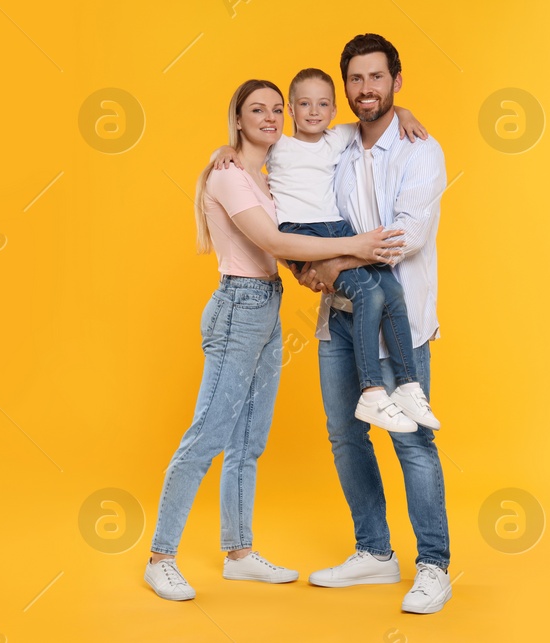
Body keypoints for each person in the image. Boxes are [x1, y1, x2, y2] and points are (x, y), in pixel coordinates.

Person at [144, 78, 406, 602]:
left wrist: (307, 270)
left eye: (276, 110)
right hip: (237, 306)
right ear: (237, 120)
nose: (270, 117)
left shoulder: (258, 175)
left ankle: (238, 553)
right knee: (208, 435)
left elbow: (282, 250)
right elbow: (271, 239)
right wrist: (357, 246)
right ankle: (160, 557)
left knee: (248, 441)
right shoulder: (229, 176)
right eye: (256, 110)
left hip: (265, 304)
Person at [297, 34, 453, 614]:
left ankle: (434, 565)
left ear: (397, 80)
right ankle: (375, 553)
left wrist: (332, 260)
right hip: (337, 318)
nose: (366, 90)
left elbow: (405, 237)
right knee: (346, 437)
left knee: (412, 442)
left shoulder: (421, 150)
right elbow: (289, 150)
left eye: (377, 78)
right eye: (356, 80)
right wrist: (231, 153)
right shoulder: (335, 142)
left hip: (398, 318)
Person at [210, 68, 440, 434]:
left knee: (393, 290)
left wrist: (407, 113)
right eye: (304, 104)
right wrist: (225, 148)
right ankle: (372, 390)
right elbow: (247, 149)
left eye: (322, 105)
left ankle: (408, 385)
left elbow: (380, 116)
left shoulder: (337, 139)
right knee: (368, 294)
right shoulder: (279, 145)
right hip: (303, 232)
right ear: (290, 109)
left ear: (334, 110)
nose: (313, 112)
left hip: (337, 227)